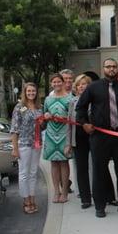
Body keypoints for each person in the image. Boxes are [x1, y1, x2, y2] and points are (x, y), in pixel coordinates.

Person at [76, 58, 118, 218]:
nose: (111, 69)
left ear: (117, 69)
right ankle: (100, 206)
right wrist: (84, 124)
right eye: (108, 66)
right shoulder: (93, 87)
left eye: (114, 67)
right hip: (99, 136)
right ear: (103, 68)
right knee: (99, 171)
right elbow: (80, 108)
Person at [10, 82, 43, 214]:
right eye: (28, 91)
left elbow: (42, 127)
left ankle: (33, 197)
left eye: (33, 91)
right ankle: (26, 200)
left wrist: (44, 121)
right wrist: (15, 148)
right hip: (23, 144)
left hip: (37, 144)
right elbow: (14, 129)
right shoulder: (19, 107)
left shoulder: (39, 107)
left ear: (36, 93)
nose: (31, 93)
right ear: (24, 92)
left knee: (33, 172)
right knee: (24, 173)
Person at [43, 73, 73, 203]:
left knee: (64, 162)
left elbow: (73, 117)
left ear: (63, 82)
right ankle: (56, 191)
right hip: (50, 134)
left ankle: (65, 192)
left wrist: (64, 118)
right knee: (53, 163)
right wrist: (46, 115)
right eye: (54, 82)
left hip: (64, 133)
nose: (56, 84)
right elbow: (43, 115)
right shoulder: (47, 99)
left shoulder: (70, 98)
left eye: (58, 82)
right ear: (51, 84)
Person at [67, 74, 93, 209]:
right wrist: (68, 143)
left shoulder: (95, 100)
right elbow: (69, 124)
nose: (81, 86)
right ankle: (85, 198)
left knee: (95, 167)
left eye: (84, 84)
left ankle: (98, 193)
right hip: (78, 139)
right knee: (81, 169)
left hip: (93, 137)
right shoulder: (72, 102)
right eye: (79, 84)